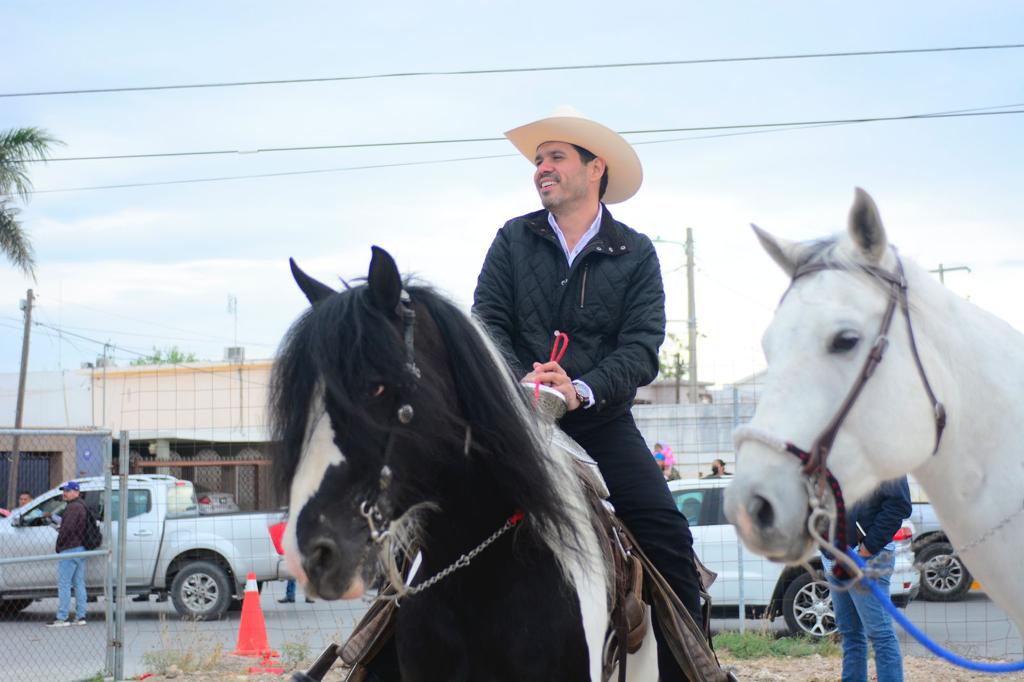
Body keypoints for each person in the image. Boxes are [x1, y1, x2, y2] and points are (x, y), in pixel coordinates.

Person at [473, 106, 704, 681]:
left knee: (668, 537)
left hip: (601, 425)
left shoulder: (636, 252)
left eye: (555, 157)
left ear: (594, 167)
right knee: (428, 528)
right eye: (538, 160)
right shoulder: (512, 238)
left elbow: (642, 348)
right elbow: (486, 323)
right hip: (515, 420)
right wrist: (522, 379)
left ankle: (690, 669)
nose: (541, 169)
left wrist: (579, 389)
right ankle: (378, 658)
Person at [821, 476, 912, 682]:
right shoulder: (830, 451)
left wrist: (866, 548)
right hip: (833, 556)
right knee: (850, 634)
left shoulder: (884, 452)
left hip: (866, 558)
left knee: (880, 635)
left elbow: (899, 505)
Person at [47, 481, 89, 627]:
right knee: (79, 583)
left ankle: (62, 617)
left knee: (64, 584)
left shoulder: (73, 507)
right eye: (64, 490)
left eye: (68, 490)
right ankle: (81, 616)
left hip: (70, 548)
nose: (65, 493)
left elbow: (67, 529)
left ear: (76, 492)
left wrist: (59, 544)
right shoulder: (81, 506)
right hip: (80, 548)